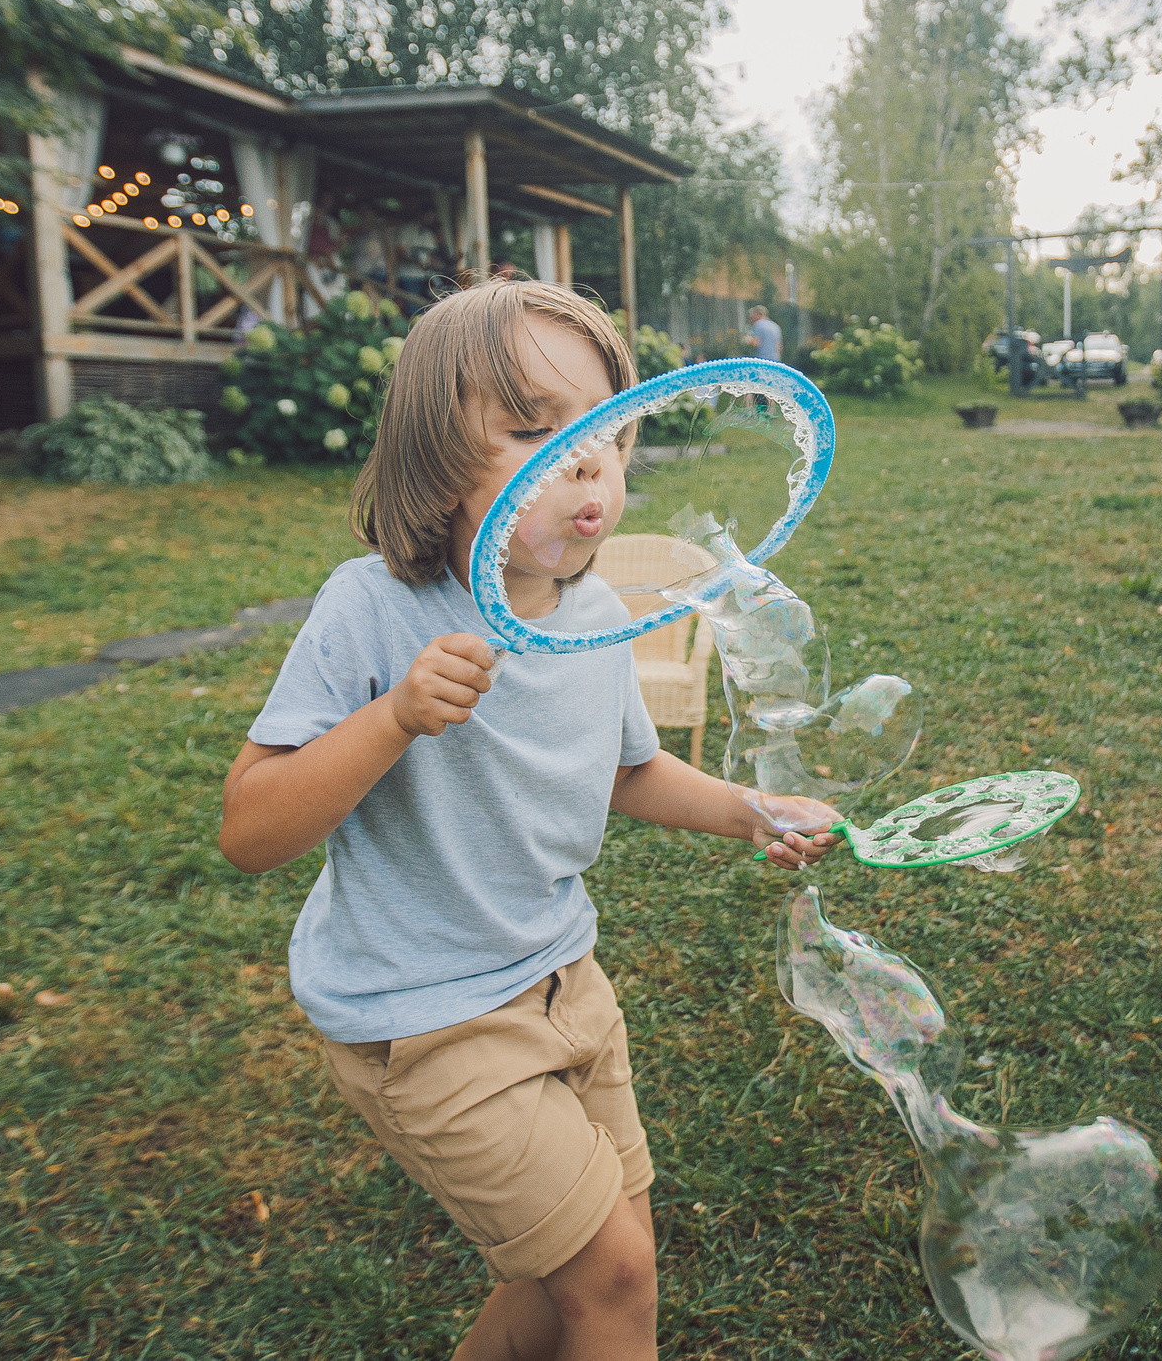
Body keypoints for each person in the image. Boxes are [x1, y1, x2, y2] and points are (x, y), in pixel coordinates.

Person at [219, 279, 838, 1361]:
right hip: (421, 1016)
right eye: (533, 431)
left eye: (603, 433)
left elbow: (625, 773)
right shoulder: (372, 606)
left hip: (565, 982)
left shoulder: (592, 615)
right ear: (432, 459)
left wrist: (748, 811)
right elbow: (250, 830)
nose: (584, 463)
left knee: (584, 1275)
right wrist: (395, 717)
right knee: (613, 1274)